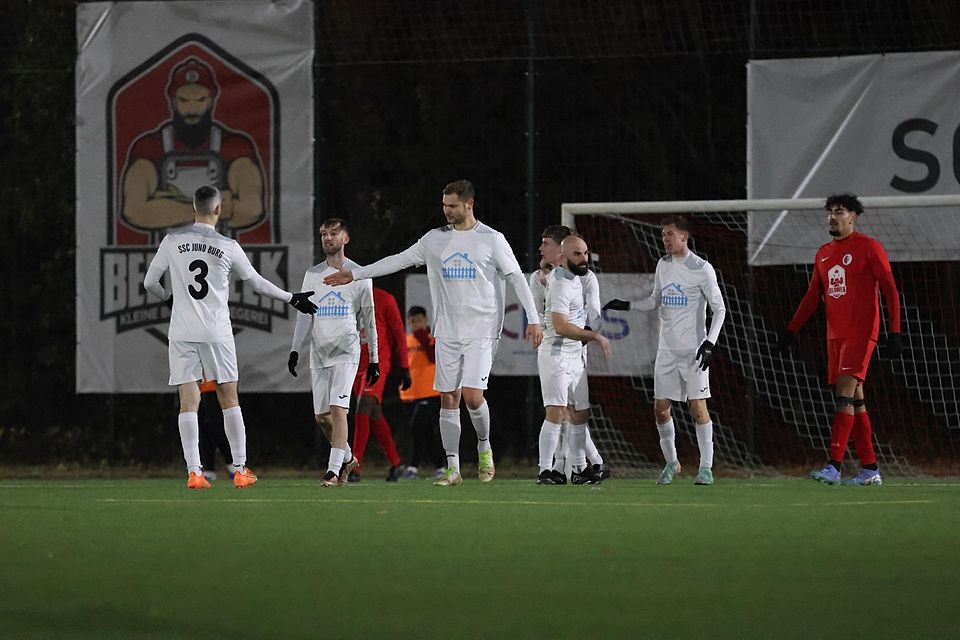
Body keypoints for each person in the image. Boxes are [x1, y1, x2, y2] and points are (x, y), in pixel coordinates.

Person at [324, 179, 543, 486]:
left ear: (469, 204)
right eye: (443, 205)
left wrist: (533, 318)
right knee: (448, 398)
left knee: (472, 396)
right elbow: (398, 260)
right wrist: (356, 273)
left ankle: (484, 446)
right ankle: (453, 469)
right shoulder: (434, 240)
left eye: (452, 205)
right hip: (447, 331)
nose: (446, 211)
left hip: (482, 330)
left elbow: (516, 278)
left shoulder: (491, 239)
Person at [143, 185, 317, 489]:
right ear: (219, 210)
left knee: (188, 401)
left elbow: (149, 283)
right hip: (216, 332)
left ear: (194, 209)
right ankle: (240, 469)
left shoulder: (172, 241)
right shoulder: (228, 246)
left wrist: (170, 298)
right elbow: (258, 284)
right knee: (229, 398)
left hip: (182, 331)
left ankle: (194, 473)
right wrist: (292, 298)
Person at [776, 194, 902, 486]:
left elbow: (891, 290)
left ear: (853, 216)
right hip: (835, 334)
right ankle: (870, 469)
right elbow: (812, 297)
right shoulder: (823, 253)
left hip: (861, 331)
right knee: (856, 400)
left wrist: (894, 332)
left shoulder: (869, 247)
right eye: (830, 212)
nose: (833, 217)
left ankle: (834, 466)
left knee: (844, 393)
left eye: (839, 211)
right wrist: (790, 331)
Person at [604, 214, 726, 485]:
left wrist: (709, 343)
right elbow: (654, 300)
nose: (665, 239)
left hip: (694, 350)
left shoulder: (701, 268)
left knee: (698, 407)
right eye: (663, 235)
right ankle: (672, 463)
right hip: (667, 350)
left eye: (669, 234)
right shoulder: (663, 265)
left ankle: (706, 468)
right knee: (660, 409)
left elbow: (720, 309)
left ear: (684, 236)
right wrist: (628, 305)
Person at [122, 57, 266, 232]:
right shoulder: (150, 146)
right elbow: (134, 211)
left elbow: (252, 209)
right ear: (173, 101)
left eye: (200, 99)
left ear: (211, 100)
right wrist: (217, 207)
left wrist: (167, 206)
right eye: (184, 100)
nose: (192, 109)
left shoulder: (235, 145)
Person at [288, 218, 379, 487]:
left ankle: (333, 471)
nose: (328, 238)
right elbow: (304, 315)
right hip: (320, 352)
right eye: (324, 234)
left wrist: (374, 357)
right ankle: (348, 457)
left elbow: (369, 319)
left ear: (346, 238)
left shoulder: (360, 274)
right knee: (322, 417)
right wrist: (295, 350)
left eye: (334, 233)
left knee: (339, 410)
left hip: (346, 351)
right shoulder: (312, 275)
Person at [530, 225, 610, 483]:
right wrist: (594, 336)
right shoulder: (559, 283)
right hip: (556, 353)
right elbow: (561, 326)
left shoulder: (574, 278)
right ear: (564, 256)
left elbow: (593, 315)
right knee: (556, 412)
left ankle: (578, 468)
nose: (584, 258)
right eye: (578, 254)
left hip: (577, 353)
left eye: (585, 253)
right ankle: (547, 470)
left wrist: (590, 332)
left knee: (579, 413)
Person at [349, 286, 412, 482]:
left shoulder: (385, 299)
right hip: (354, 363)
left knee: (363, 407)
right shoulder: (348, 298)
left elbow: (399, 333)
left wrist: (404, 366)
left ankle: (354, 467)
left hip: (377, 363)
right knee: (374, 413)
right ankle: (397, 464)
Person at [398, 306, 447, 480]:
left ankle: (413, 467)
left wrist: (425, 339)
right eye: (412, 321)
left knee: (417, 427)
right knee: (425, 432)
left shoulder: (432, 339)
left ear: (426, 320)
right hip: (410, 394)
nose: (416, 324)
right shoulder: (406, 340)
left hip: (430, 392)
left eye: (419, 320)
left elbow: (436, 358)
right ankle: (441, 466)